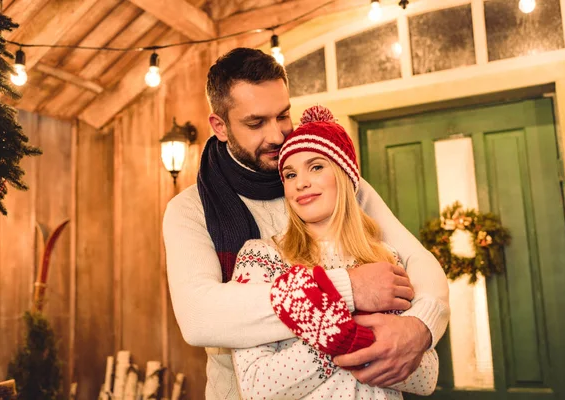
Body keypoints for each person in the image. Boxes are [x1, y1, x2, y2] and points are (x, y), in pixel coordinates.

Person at [162, 48, 449, 400]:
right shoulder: (190, 210)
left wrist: (420, 327)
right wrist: (347, 292)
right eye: (256, 123)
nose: (278, 135)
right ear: (220, 126)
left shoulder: (338, 184)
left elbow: (417, 261)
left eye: (283, 115)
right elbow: (199, 317)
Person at [230, 105, 439, 399]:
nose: (300, 182)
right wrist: (341, 336)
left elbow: (427, 376)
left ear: (344, 174)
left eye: (316, 167)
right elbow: (255, 387)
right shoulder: (263, 258)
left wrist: (328, 329)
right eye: (289, 175)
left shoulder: (385, 259)